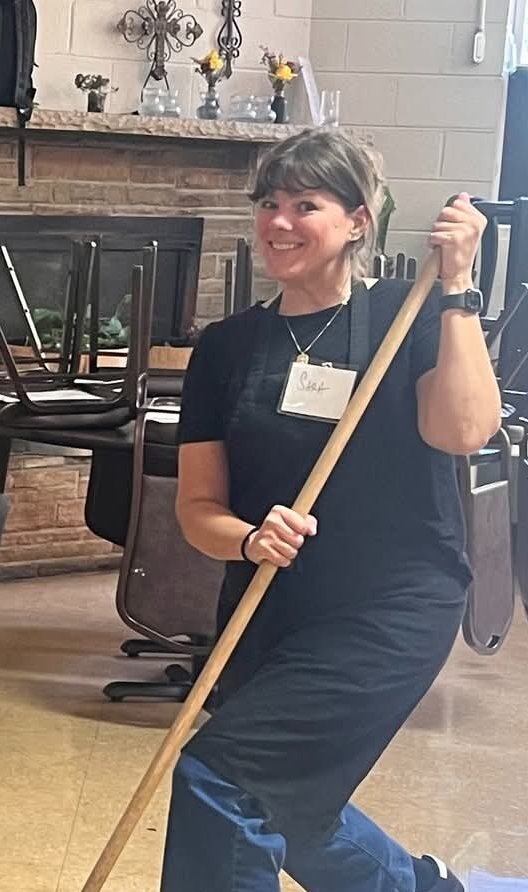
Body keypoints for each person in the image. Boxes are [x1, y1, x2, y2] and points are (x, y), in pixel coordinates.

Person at [167, 127, 497, 892]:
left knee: (221, 779)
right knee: (288, 810)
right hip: (271, 604)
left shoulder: (406, 318)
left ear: (357, 220)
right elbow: (197, 508)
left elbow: (463, 430)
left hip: (391, 604)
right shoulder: (227, 348)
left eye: (305, 205)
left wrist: (457, 289)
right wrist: (250, 537)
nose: (279, 223)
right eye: (269, 204)